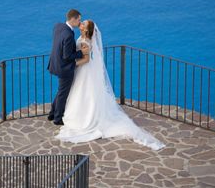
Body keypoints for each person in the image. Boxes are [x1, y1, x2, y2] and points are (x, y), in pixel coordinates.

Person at [57, 20, 165, 150]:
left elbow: (86, 60)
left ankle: (87, 118)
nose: (80, 24)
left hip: (84, 70)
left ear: (86, 30)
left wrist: (73, 65)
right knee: (82, 93)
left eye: (83, 24)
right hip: (83, 71)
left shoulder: (86, 42)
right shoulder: (82, 38)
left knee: (86, 93)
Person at [47, 9, 89, 125]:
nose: (79, 22)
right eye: (79, 20)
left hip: (55, 63)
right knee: (63, 94)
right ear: (73, 19)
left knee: (61, 91)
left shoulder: (58, 26)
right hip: (64, 68)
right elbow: (67, 56)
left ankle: (52, 113)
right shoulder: (69, 35)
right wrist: (81, 52)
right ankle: (57, 118)